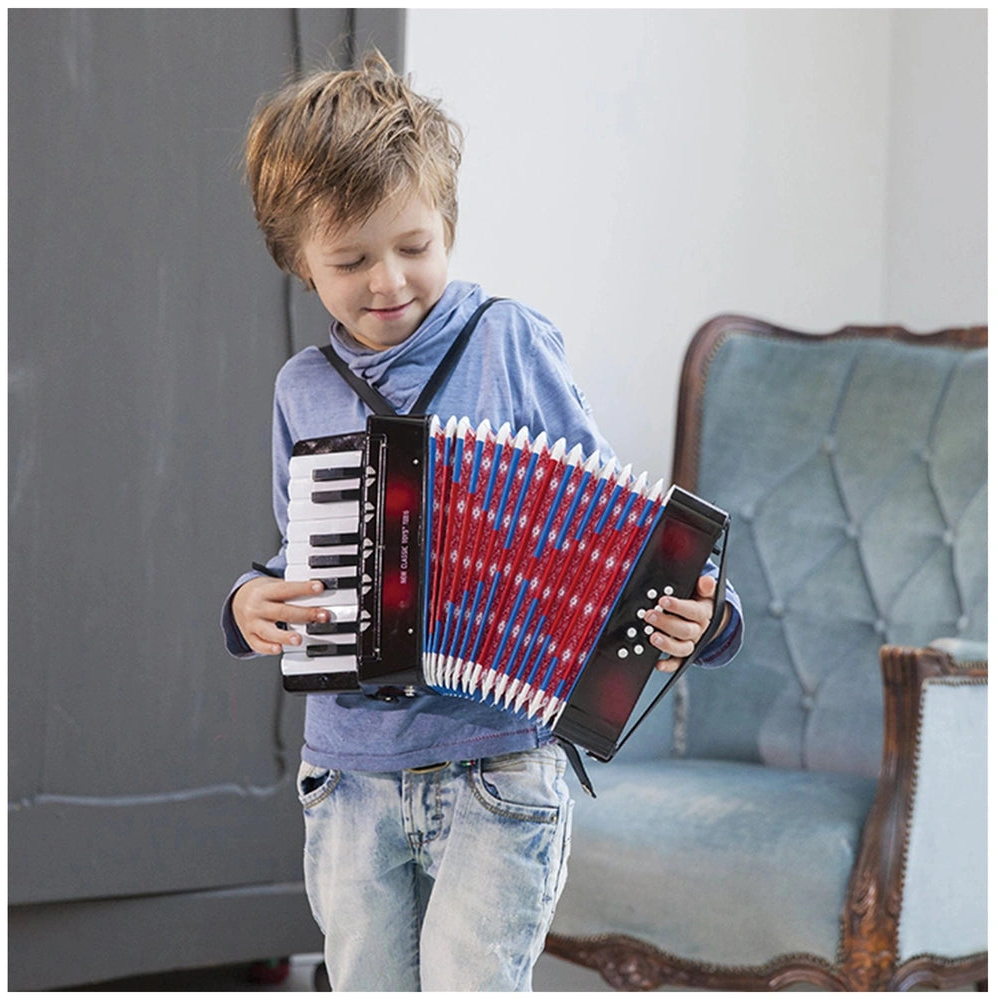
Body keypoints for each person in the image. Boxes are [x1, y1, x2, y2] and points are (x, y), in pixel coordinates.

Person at [222, 50, 743, 992]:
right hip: (351, 778)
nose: (388, 280)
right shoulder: (301, 391)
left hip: (498, 765)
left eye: (414, 246)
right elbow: (300, 561)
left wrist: (707, 611)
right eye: (350, 259)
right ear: (299, 262)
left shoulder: (509, 341)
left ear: (448, 225)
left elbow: (612, 525)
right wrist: (251, 599)